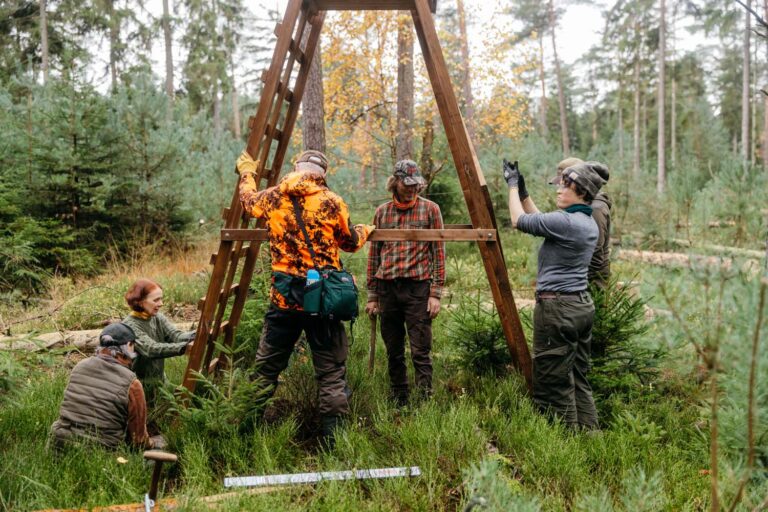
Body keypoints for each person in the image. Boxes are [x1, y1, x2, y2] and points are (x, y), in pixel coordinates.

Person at [236, 148, 374, 445]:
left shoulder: (273, 197)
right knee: (331, 373)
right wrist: (365, 230)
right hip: (322, 300)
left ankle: (245, 434)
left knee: (266, 369)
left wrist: (247, 172)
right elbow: (350, 243)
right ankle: (333, 441)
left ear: (297, 167)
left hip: (284, 299)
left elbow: (247, 201)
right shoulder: (331, 201)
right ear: (322, 174)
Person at [504, 158, 607, 430]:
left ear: (581, 192)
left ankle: (564, 442)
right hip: (579, 306)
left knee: (553, 381)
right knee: (578, 377)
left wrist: (512, 185)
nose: (558, 190)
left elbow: (519, 220)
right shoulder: (583, 221)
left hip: (558, 309)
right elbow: (542, 221)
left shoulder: (568, 222)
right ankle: (590, 436)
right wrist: (524, 193)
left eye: (565, 186)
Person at [365, 160, 445, 406]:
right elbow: (374, 254)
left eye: (415, 184)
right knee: (393, 349)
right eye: (406, 184)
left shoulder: (430, 210)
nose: (412, 189)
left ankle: (424, 399)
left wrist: (435, 293)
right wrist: (372, 296)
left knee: (420, 348)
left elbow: (439, 252)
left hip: (417, 287)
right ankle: (399, 398)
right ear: (395, 182)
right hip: (387, 288)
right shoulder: (382, 212)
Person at [49, 322, 165, 450]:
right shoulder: (132, 383)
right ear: (128, 346)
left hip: (59, 443)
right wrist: (153, 443)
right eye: (133, 346)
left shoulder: (79, 366)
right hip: (100, 450)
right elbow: (139, 441)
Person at [121, 278, 194, 407]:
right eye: (156, 300)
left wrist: (197, 335)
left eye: (161, 299)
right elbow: (151, 349)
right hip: (140, 388)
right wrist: (184, 348)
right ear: (140, 302)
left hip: (161, 382)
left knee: (188, 401)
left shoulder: (157, 317)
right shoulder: (130, 326)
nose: (161, 303)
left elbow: (176, 336)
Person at [549, 158, 612, 289]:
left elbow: (594, 255)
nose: (559, 189)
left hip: (590, 286)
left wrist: (574, 284)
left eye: (565, 184)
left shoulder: (595, 208)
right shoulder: (580, 204)